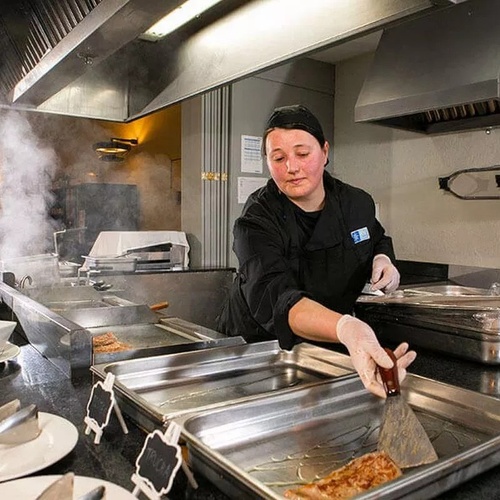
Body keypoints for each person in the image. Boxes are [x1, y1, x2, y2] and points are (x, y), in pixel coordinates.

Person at [218, 104, 416, 398]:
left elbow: (375, 237)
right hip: (258, 352)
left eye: (302, 154)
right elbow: (279, 299)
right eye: (278, 158)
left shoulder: (355, 202)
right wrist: (348, 328)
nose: (291, 167)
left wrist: (384, 259)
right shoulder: (255, 222)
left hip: (326, 343)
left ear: (324, 151)